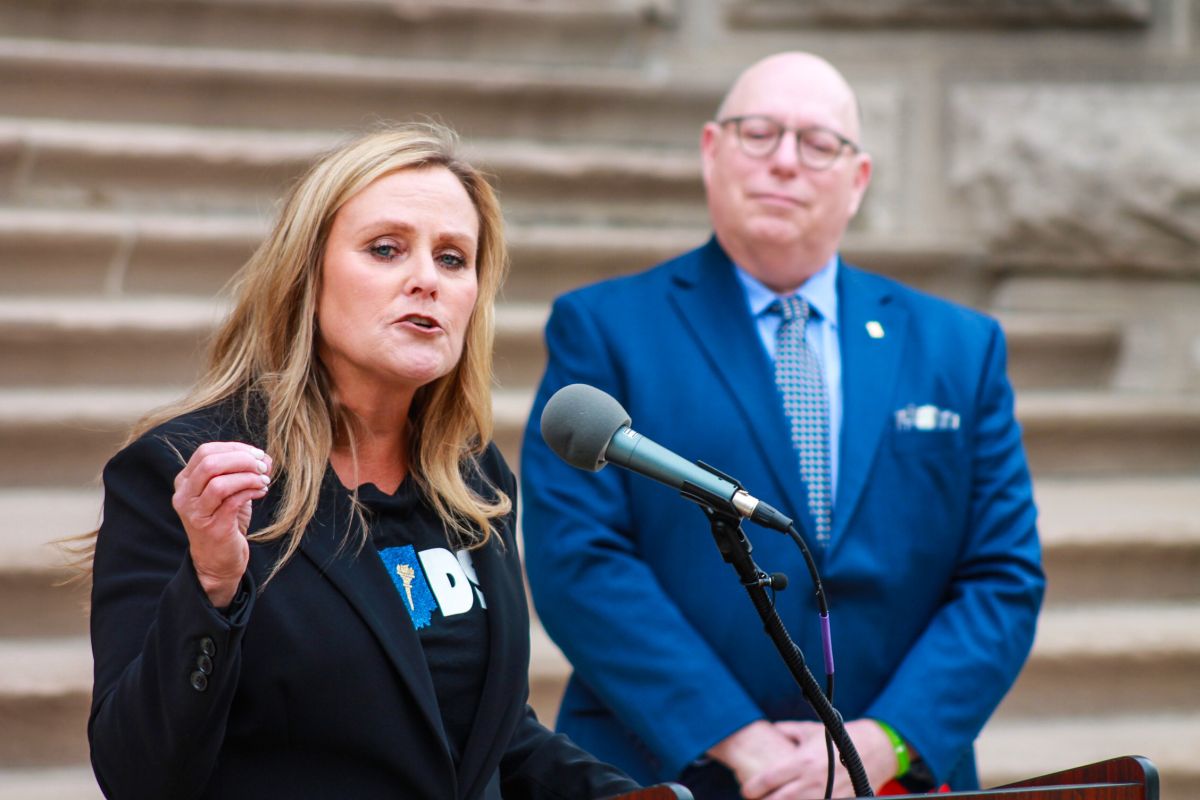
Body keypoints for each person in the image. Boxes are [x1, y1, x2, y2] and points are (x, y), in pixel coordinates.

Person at [520, 52, 1045, 800]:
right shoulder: (604, 329)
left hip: (892, 779)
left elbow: (1003, 574)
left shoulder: (960, 348)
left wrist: (882, 741)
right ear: (712, 151)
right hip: (668, 771)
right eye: (759, 133)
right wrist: (741, 742)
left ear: (858, 179)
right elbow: (580, 558)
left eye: (818, 142)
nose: (785, 162)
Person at [81, 123, 647, 800]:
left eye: (452, 259)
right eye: (386, 250)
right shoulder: (187, 473)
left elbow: (488, 737)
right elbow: (137, 774)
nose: (426, 281)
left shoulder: (473, 478)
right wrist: (210, 587)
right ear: (308, 276)